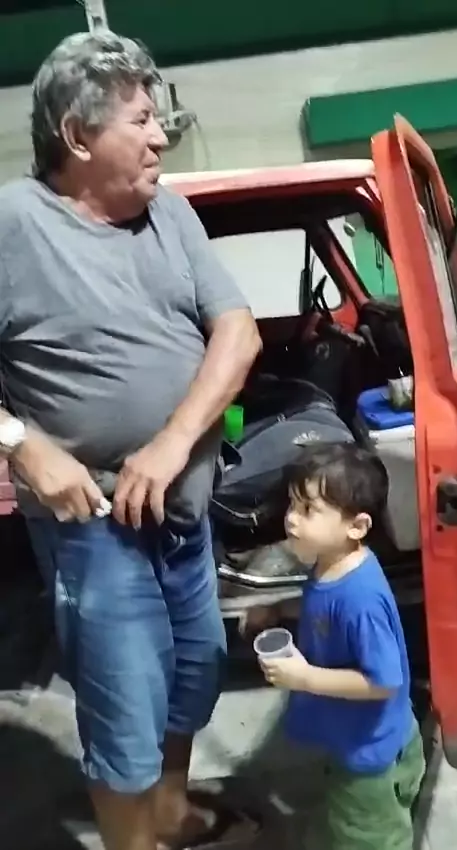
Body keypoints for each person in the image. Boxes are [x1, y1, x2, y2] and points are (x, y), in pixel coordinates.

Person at [0, 31, 261, 850]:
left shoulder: (169, 214)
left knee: (195, 673)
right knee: (124, 712)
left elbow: (239, 331)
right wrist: (20, 441)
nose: (161, 139)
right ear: (78, 136)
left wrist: (174, 442)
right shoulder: (15, 223)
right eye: (142, 121)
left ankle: (169, 813)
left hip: (183, 515)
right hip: (96, 532)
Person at [244, 443, 425, 850]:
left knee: (373, 838)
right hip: (361, 740)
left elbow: (383, 682)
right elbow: (324, 609)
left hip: (371, 757)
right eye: (293, 504)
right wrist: (280, 609)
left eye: (309, 509)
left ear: (356, 526)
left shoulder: (360, 599)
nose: (291, 518)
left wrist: (304, 677)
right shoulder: (332, 566)